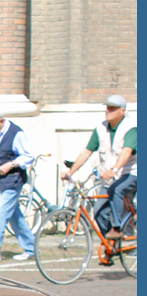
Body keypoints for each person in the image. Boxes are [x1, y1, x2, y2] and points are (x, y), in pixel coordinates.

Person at [60, 94, 136, 243]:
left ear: (122, 111)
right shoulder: (100, 129)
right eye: (107, 108)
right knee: (99, 212)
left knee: (118, 190)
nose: (108, 111)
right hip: (109, 180)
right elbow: (87, 152)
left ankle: (117, 229)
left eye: (112, 108)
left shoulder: (131, 128)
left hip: (131, 174)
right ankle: (111, 246)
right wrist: (70, 172)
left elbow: (126, 151)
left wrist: (114, 170)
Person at [0, 110, 35, 263]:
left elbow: (29, 156)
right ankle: (31, 247)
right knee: (16, 217)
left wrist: (10, 165)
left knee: (0, 215)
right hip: (3, 180)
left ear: (1, 121)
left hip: (13, 180)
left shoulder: (16, 134)